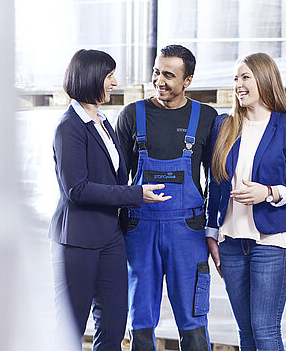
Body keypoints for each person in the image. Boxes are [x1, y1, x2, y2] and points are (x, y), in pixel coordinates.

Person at [49, 49, 171, 351]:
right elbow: (77, 189)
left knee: (114, 323)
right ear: (91, 78)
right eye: (109, 75)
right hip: (77, 240)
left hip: (110, 237)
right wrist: (135, 194)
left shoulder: (103, 121)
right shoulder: (69, 128)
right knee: (69, 326)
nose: (114, 82)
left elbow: (114, 174)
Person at [116, 45, 218, 350]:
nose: (159, 80)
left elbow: (215, 180)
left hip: (188, 232)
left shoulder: (207, 117)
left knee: (194, 323)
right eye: (156, 72)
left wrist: (211, 227)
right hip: (140, 231)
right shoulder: (132, 115)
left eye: (169, 75)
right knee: (141, 322)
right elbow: (119, 179)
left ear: (187, 81)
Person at [205, 52, 286, 350]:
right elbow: (215, 183)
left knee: (265, 331)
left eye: (245, 77)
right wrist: (212, 232)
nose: (238, 84)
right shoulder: (224, 126)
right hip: (231, 243)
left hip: (272, 241)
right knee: (246, 333)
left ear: (264, 79)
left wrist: (268, 192)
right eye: (236, 78)